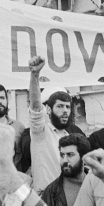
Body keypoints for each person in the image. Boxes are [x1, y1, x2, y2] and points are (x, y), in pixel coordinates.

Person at [27, 56, 76, 191]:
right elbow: (36, 107)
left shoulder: (68, 137)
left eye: (68, 107)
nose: (65, 111)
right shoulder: (41, 132)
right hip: (46, 201)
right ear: (48, 109)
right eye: (60, 106)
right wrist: (35, 74)